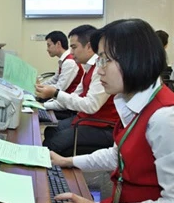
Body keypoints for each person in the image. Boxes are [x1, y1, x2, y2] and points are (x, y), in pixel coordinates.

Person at [51, 18, 174, 203]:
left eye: (105, 60)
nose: (99, 69)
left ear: (133, 59)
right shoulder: (133, 101)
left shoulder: (167, 119)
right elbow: (118, 155)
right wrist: (68, 162)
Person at [35, 25, 119, 157]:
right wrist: (41, 106)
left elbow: (91, 106)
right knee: (51, 131)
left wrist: (55, 94)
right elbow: (74, 95)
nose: (71, 52)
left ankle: (56, 174)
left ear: (89, 47)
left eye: (74, 47)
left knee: (53, 145)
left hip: (103, 126)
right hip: (87, 118)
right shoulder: (88, 67)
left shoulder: (99, 68)